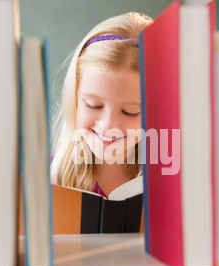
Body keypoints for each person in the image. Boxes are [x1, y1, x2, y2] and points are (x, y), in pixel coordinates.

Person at [51, 12, 153, 198]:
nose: (108, 126)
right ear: (74, 96)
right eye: (94, 105)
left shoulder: (174, 183)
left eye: (130, 112)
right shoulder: (44, 178)